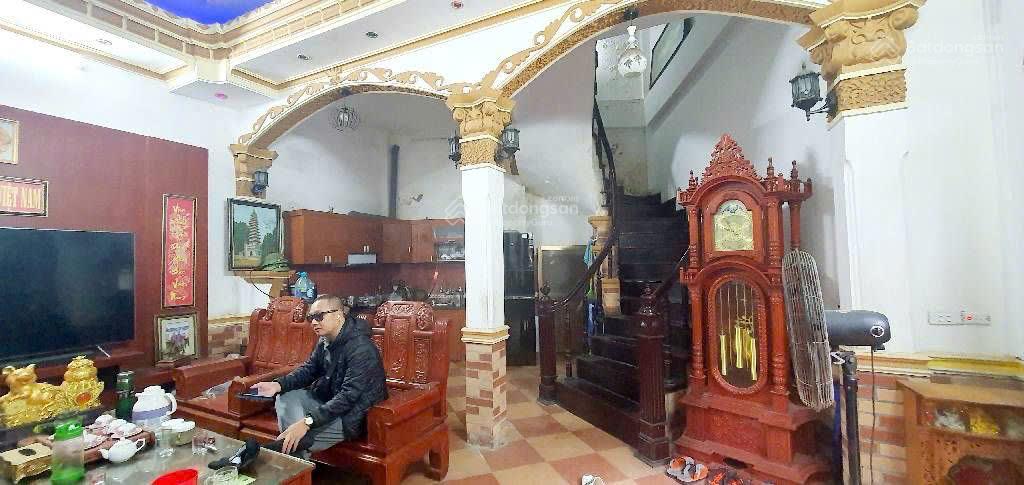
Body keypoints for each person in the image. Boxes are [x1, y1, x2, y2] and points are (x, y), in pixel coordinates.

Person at [250, 295, 387, 457]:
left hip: (352, 415)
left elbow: (348, 398)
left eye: (319, 316)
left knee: (298, 442)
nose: (314, 322)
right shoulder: (325, 340)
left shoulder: (361, 349)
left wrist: (307, 422)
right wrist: (278, 384)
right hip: (328, 401)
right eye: (311, 318)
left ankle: (277, 453)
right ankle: (293, 446)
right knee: (285, 395)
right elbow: (309, 370)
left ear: (338, 315)